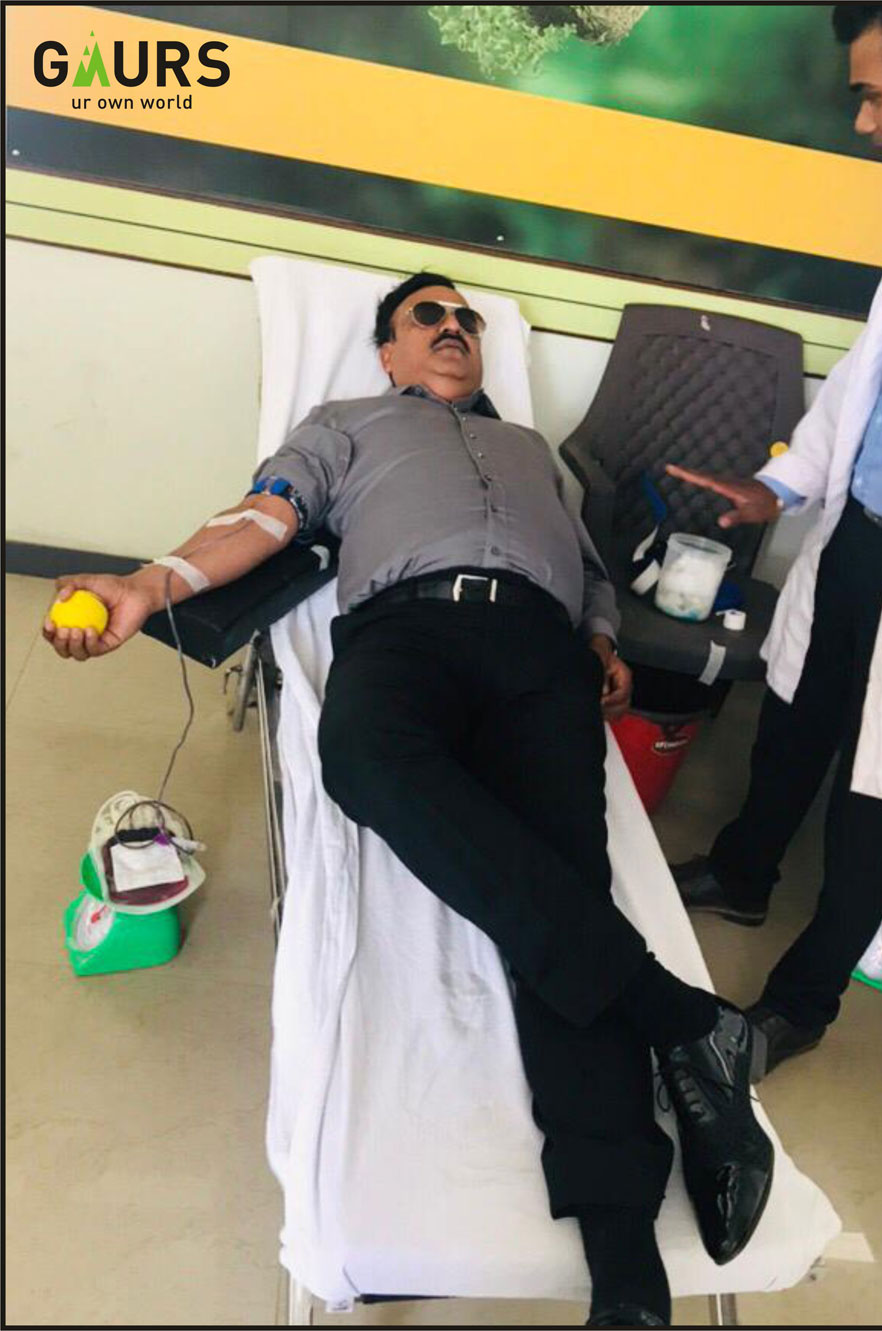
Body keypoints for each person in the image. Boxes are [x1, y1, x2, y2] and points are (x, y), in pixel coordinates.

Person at [43, 273, 776, 1328]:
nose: (453, 328)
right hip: (406, 632)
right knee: (362, 755)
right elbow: (262, 516)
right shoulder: (344, 424)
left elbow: (586, 570)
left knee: (561, 898)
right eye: (427, 317)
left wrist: (601, 638)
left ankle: (627, 1274)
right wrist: (150, 583)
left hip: (540, 654)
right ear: (387, 352)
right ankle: (688, 1019)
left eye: (466, 319)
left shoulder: (530, 450)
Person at [667, 4, 882, 1079]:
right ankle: (743, 873)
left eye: (872, 94)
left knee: (875, 796)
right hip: (863, 531)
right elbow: (874, 370)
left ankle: (800, 1007)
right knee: (794, 720)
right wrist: (782, 482)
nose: (863, 120)